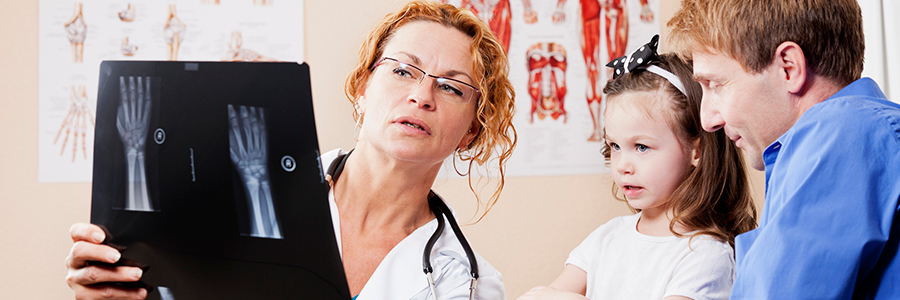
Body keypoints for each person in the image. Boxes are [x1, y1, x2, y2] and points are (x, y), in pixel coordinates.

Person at [64, 1, 517, 299]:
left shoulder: (466, 282)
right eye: (402, 71)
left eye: (452, 88)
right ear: (362, 86)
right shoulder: (238, 195)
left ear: (472, 131)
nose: (422, 96)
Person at [667, 0, 900, 298]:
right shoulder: (858, 132)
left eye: (715, 84)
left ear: (789, 67)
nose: (708, 119)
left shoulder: (842, 130)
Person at [517, 35, 757, 300]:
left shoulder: (706, 254)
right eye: (615, 146)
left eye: (641, 147)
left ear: (696, 151)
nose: (622, 166)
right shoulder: (606, 238)